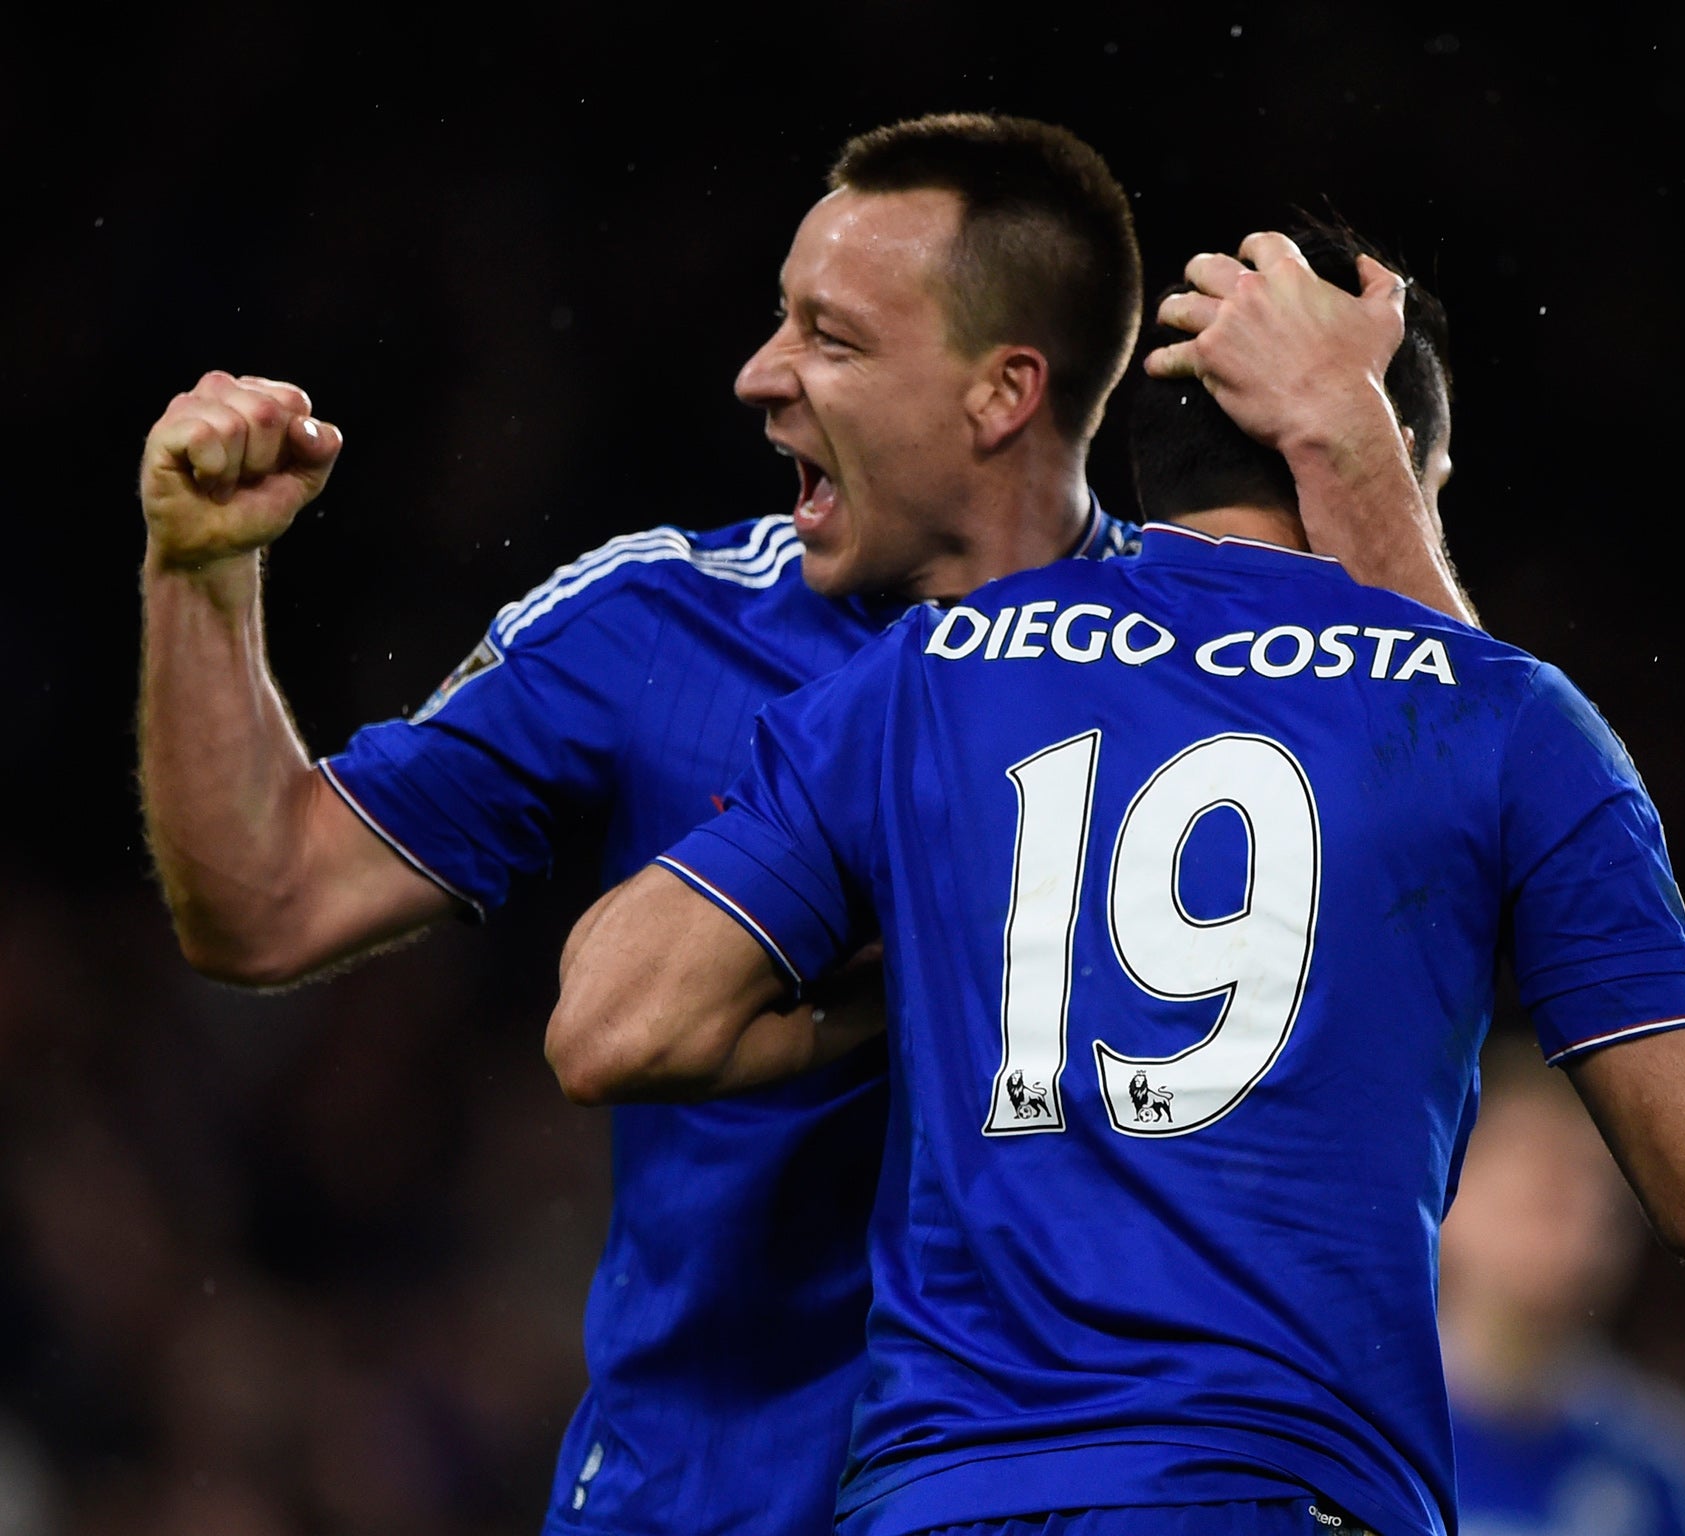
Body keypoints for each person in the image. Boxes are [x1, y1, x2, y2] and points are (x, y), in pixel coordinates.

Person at [546, 223, 1685, 1536]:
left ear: (1150, 461)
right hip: (1270, 1489)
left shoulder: (932, 672)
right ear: (1417, 469)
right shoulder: (1502, 723)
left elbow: (614, 1025)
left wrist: (969, 975)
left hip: (942, 1499)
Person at [135, 116, 1468, 1534]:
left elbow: (1516, 837)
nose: (760, 375)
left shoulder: (1200, 675)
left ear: (1002, 392)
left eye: (828, 337)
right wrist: (201, 579)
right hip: (702, 1498)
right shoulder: (657, 626)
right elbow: (264, 902)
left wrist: (1367, 467)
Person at [1440, 1038, 1685, 1536]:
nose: (1558, 1199)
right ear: (1445, 1199)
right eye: (1532, 1180)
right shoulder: (1343, 1433)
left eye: (1588, 1179)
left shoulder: (1668, 1463)